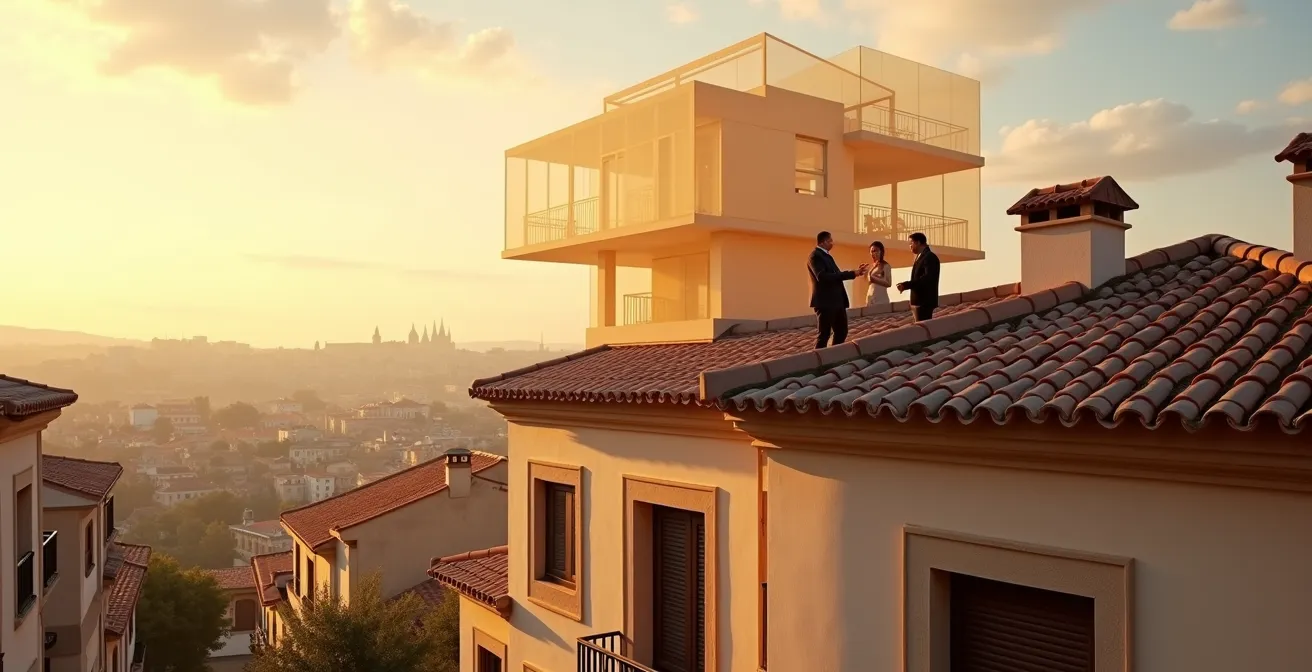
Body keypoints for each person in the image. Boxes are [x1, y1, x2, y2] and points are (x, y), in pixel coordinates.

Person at [808, 231, 869, 349]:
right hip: (826, 302)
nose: (832, 243)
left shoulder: (826, 256)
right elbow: (822, 277)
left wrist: (854, 273)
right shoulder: (815, 256)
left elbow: (837, 274)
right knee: (824, 334)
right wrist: (852, 273)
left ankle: (834, 355)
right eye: (830, 241)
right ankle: (818, 360)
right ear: (824, 241)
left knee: (842, 331)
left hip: (837, 301)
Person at [896, 232, 940, 321]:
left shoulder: (929, 257)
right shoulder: (920, 257)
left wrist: (906, 285)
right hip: (918, 301)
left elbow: (926, 278)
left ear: (918, 242)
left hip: (924, 302)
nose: (910, 246)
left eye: (911, 243)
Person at [865, 241, 892, 308]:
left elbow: (888, 283)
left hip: (881, 299)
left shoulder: (885, 265)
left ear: (881, 251)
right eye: (871, 251)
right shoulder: (871, 266)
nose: (873, 253)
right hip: (871, 297)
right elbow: (869, 281)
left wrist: (874, 279)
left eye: (875, 251)